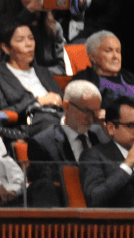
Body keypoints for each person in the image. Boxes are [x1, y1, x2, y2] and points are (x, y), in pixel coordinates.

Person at [23, 79, 109, 207]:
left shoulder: (100, 133)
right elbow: (49, 192)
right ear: (67, 106)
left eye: (96, 112)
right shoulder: (42, 142)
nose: (92, 119)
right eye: (86, 112)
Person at [0, 19, 65, 137]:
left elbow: (60, 97)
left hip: (58, 116)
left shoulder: (42, 71)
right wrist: (37, 102)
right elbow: (4, 114)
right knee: (55, 126)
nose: (29, 44)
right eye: (20, 40)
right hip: (30, 123)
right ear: (6, 48)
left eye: (31, 38)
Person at [4, 0, 69, 73]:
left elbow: (61, 67)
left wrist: (41, 75)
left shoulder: (54, 27)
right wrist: (29, 10)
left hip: (49, 80)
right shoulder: (7, 26)